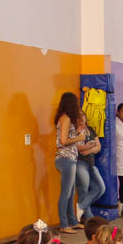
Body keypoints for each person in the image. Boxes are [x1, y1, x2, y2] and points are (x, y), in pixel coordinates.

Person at [54, 92, 89, 234]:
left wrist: (77, 133)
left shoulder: (65, 118)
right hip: (66, 158)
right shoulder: (66, 118)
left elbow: (66, 137)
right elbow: (63, 141)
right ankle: (64, 224)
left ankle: (73, 221)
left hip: (69, 158)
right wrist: (79, 138)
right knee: (66, 193)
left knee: (70, 192)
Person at [75, 111, 106, 221]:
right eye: (79, 117)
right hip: (80, 162)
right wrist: (88, 146)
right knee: (83, 189)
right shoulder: (75, 131)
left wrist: (89, 149)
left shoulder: (90, 130)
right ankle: (89, 219)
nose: (81, 119)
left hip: (91, 163)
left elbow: (98, 147)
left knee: (100, 188)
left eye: (83, 116)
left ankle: (81, 206)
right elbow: (76, 147)